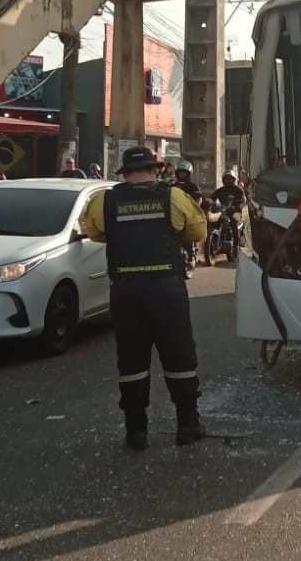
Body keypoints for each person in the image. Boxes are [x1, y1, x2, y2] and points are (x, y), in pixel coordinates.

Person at [80, 146, 207, 451]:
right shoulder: (173, 196)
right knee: (179, 357)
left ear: (124, 174)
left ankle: (136, 431)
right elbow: (197, 230)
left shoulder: (104, 200)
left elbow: (94, 232)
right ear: (155, 170)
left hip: (127, 291)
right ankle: (187, 425)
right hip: (166, 289)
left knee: (132, 361)